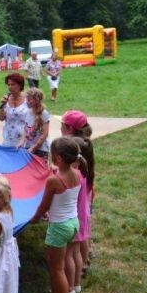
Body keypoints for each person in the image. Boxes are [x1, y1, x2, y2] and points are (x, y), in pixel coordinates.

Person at [29, 137, 86, 293]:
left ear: (59, 158)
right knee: (52, 261)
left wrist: (34, 218)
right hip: (73, 223)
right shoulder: (77, 173)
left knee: (57, 268)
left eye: (52, 155)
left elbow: (44, 206)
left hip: (59, 227)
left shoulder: (54, 180)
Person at [60, 110, 95, 273]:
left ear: (69, 128)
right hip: (85, 197)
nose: (60, 128)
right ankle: (84, 261)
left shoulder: (74, 147)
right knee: (84, 232)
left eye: (62, 125)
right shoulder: (85, 144)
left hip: (78, 203)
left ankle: (81, 265)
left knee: (79, 236)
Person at [17, 88, 50, 158]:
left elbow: (44, 134)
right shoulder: (28, 112)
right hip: (28, 147)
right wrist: (22, 141)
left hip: (41, 150)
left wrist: (34, 148)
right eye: (27, 99)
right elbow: (26, 129)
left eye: (29, 99)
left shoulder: (44, 114)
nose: (27, 102)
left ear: (36, 100)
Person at [0, 73, 28, 147]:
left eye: (13, 84)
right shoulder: (6, 99)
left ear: (20, 85)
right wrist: (2, 105)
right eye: (8, 85)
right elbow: (1, 118)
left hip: (24, 139)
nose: (10, 87)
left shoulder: (28, 99)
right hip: (8, 138)